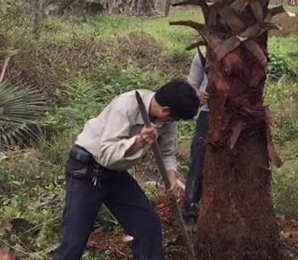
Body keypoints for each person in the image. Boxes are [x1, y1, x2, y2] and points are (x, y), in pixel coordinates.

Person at [52, 80, 200, 260]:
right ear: (166, 110)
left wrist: (172, 178)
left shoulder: (167, 120)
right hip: (86, 169)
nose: (173, 123)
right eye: (174, 119)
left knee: (147, 225)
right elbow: (107, 154)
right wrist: (139, 141)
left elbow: (167, 152)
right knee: (74, 240)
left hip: (115, 174)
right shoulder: (126, 106)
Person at [183, 49, 209, 224]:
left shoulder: (248, 51)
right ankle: (189, 210)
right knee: (198, 162)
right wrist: (197, 93)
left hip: (241, 117)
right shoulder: (204, 54)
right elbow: (191, 85)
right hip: (208, 114)